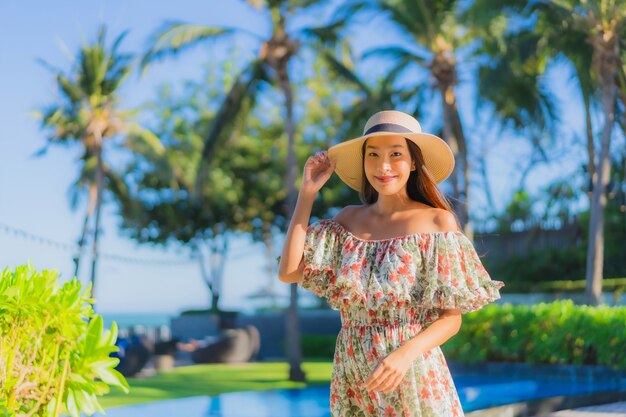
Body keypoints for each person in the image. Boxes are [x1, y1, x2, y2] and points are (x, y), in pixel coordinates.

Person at [278, 110, 505, 416]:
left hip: (412, 373)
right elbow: (290, 271)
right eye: (372, 154)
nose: (383, 166)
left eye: (395, 154)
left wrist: (404, 354)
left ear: (413, 162)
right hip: (355, 376)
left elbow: (451, 319)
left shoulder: (437, 222)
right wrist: (307, 195)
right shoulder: (347, 220)